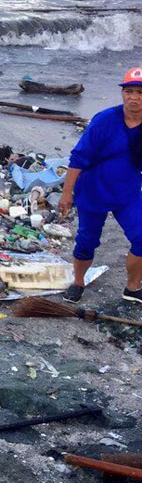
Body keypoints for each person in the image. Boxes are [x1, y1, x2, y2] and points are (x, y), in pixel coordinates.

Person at [59, 65, 142, 304]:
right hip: (93, 191)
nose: (134, 97)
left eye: (140, 93)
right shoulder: (105, 120)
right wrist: (67, 194)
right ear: (122, 94)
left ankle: (133, 287)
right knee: (86, 241)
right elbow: (78, 158)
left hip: (127, 193)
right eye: (129, 91)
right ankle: (78, 282)